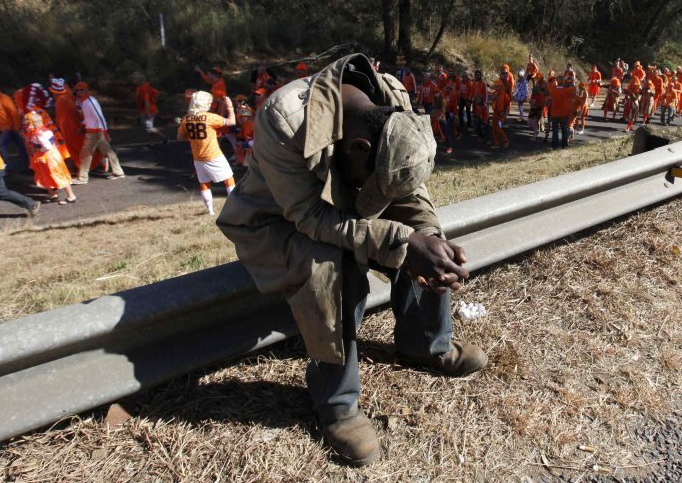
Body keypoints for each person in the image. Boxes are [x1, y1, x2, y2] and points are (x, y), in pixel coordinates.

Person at [216, 53, 486, 466]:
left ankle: (424, 343)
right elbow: (309, 217)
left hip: (340, 210)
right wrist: (400, 240)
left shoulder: (393, 98)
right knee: (333, 270)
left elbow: (407, 190)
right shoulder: (284, 118)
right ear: (358, 149)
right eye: (373, 185)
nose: (380, 198)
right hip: (280, 223)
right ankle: (337, 403)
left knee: (424, 243)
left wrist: (427, 237)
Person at [177, 91, 236, 215]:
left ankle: (210, 211)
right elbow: (231, 122)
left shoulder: (186, 119)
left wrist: (194, 139)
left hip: (198, 157)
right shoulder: (209, 117)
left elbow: (180, 137)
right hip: (213, 154)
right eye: (209, 102)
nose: (210, 104)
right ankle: (235, 206)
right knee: (228, 179)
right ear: (203, 104)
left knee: (204, 183)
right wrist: (230, 108)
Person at [71, 82, 125, 184]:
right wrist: (83, 125)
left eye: (81, 90)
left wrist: (105, 132)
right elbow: (89, 117)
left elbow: (100, 117)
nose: (79, 92)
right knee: (108, 151)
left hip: (94, 132)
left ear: (86, 90)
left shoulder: (90, 102)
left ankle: (82, 178)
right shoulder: (84, 101)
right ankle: (118, 172)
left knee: (85, 154)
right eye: (77, 90)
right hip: (94, 131)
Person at [23, 111, 77, 204]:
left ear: (32, 124)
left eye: (27, 124)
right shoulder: (42, 130)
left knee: (58, 175)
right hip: (47, 157)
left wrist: (39, 150)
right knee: (45, 175)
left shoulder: (39, 134)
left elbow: (47, 146)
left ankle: (71, 196)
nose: (26, 125)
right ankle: (52, 194)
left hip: (49, 158)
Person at [0, 77, 29, 171]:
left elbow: (14, 113)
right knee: (22, 147)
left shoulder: (4, 98)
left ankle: (8, 168)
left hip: (10, 128)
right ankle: (27, 166)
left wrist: (17, 128)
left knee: (0, 147)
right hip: (3, 128)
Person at [133, 72, 168, 145]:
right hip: (148, 110)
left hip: (148, 110)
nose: (133, 80)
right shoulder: (142, 87)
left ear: (139, 80)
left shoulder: (144, 89)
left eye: (134, 78)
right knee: (149, 127)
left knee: (149, 127)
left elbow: (147, 101)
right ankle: (151, 142)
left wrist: (147, 112)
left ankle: (164, 137)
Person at [548, 76, 575, 148]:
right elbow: (573, 92)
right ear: (563, 82)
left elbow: (551, 91)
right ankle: (564, 145)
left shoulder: (553, 89)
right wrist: (571, 83)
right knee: (564, 130)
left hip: (554, 113)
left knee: (555, 130)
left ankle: (555, 146)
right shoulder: (566, 90)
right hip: (563, 113)